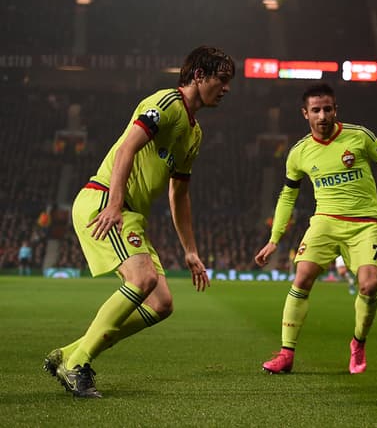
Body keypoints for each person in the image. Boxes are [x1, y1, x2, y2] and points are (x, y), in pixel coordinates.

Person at [43, 46, 235, 398]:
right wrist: (115, 204)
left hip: (131, 213)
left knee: (162, 304)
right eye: (222, 80)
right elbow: (128, 147)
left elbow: (179, 196)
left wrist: (190, 251)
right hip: (104, 200)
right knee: (143, 278)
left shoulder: (194, 134)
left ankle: (69, 354)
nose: (226, 88)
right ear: (199, 76)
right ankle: (78, 364)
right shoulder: (165, 103)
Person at [255, 83, 377, 374]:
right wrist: (274, 239)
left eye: (327, 109)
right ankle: (286, 353)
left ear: (336, 109)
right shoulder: (298, 153)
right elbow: (288, 195)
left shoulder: (359, 136)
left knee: (369, 285)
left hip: (365, 223)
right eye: (316, 110)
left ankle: (358, 343)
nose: (322, 115)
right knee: (301, 278)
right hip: (324, 221)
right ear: (305, 113)